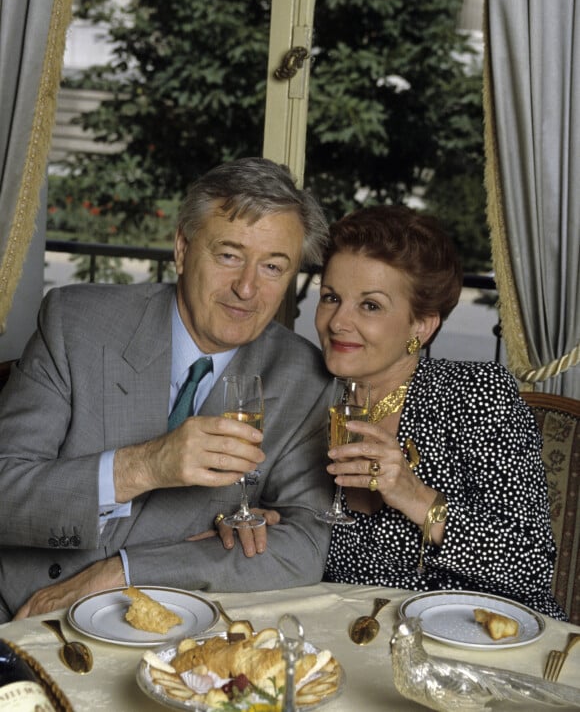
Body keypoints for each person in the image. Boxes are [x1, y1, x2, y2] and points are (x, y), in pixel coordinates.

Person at [0, 157, 333, 623]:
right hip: (21, 610)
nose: (246, 288)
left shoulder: (306, 378)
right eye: (229, 255)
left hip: (171, 632)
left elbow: (302, 548)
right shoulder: (74, 323)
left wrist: (122, 573)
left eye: (274, 267)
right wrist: (145, 465)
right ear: (181, 249)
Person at [313, 204, 566, 620]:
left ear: (421, 327)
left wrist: (416, 498)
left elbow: (531, 564)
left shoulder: (477, 394)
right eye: (331, 298)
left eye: (370, 306)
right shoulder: (309, 398)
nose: (339, 321)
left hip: (486, 641)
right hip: (357, 639)